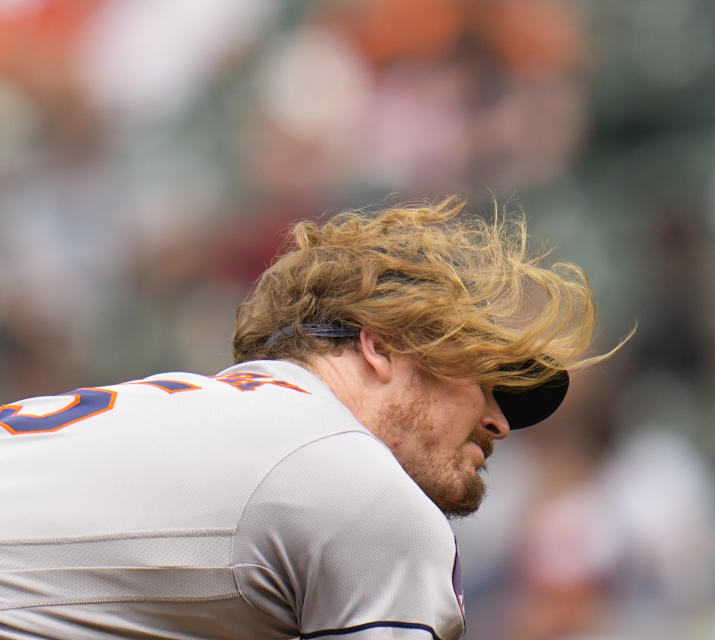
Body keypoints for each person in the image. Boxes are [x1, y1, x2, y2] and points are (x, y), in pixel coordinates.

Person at [0, 197, 618, 639]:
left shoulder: (199, 424)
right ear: (382, 347)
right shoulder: (354, 488)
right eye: (483, 380)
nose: (499, 422)